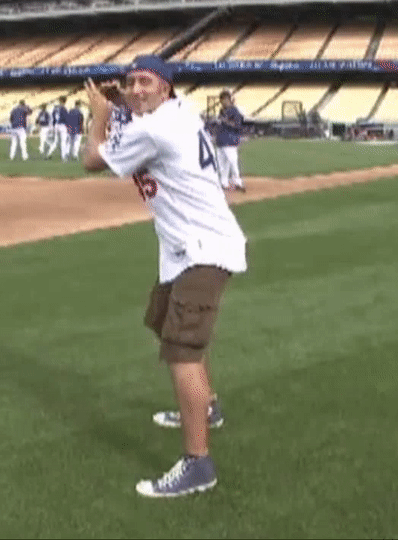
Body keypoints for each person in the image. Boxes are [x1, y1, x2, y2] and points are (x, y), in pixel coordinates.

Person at [82, 55, 247, 498]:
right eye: (131, 81)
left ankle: (198, 464)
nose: (136, 88)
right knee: (162, 321)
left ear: (166, 88)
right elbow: (139, 119)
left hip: (202, 248)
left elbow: (92, 159)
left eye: (146, 82)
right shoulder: (178, 113)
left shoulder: (155, 129)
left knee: (181, 349)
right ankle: (206, 407)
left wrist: (99, 116)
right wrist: (122, 105)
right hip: (182, 249)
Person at [215, 89, 246, 193]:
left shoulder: (235, 111)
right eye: (221, 100)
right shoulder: (221, 111)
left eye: (224, 99)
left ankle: (238, 182)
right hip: (220, 141)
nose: (222, 102)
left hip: (230, 141)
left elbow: (237, 126)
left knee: (233, 162)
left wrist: (226, 121)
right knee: (222, 164)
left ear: (228, 99)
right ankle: (224, 183)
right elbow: (219, 124)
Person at [47, 96, 68, 161]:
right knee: (63, 142)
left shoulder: (55, 108)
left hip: (56, 125)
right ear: (64, 101)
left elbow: (53, 117)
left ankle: (49, 153)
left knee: (56, 142)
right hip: (62, 125)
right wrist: (68, 126)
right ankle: (63, 157)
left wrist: (53, 126)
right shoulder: (64, 108)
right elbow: (66, 118)